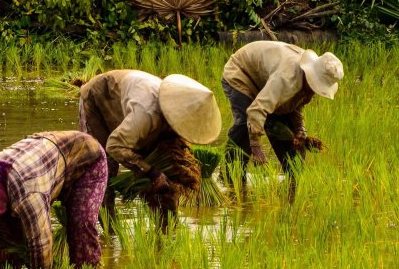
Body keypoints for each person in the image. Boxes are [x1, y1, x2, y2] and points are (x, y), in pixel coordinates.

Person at [0, 130, 107, 269]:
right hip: (46, 161)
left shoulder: (28, 192)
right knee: (7, 236)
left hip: (86, 159)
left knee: (80, 225)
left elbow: (41, 243)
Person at [78, 69, 221, 211]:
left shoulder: (173, 113)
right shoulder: (146, 114)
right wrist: (152, 173)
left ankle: (165, 224)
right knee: (104, 169)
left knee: (164, 181)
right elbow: (114, 146)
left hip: (131, 99)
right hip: (99, 97)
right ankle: (108, 226)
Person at [221, 41, 343, 179]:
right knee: (244, 127)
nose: (313, 93)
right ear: (310, 75)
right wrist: (256, 147)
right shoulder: (287, 78)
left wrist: (300, 129)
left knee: (291, 142)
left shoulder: (302, 83)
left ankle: (291, 184)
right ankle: (229, 176)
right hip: (242, 73)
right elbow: (256, 110)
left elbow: (294, 105)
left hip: (268, 81)